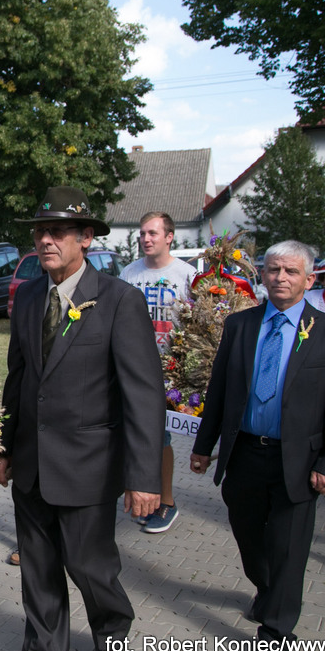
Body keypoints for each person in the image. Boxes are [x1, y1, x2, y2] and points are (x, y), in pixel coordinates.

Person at [0, 187, 162, 651]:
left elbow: (143, 396)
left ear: (86, 238)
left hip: (89, 464)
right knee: (38, 570)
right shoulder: (29, 296)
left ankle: (112, 627)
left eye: (58, 232)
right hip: (32, 463)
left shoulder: (119, 300)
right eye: (39, 232)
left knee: (90, 567)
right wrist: (4, 448)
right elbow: (18, 378)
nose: (46, 240)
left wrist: (144, 477)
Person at [190, 241, 325, 651]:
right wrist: (203, 446)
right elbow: (220, 389)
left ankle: (276, 634)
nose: (281, 278)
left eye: (291, 271)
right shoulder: (240, 325)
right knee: (249, 539)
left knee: (288, 548)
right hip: (245, 452)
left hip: (299, 460)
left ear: (309, 279)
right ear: (263, 275)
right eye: (274, 269)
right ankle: (268, 588)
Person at [119, 211, 198, 534]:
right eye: (142, 233)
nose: (146, 239)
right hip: (133, 366)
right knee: (133, 434)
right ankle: (141, 496)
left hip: (170, 371)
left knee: (159, 437)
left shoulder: (187, 276)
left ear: (169, 237)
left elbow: (200, 326)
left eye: (152, 233)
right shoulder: (129, 273)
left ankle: (166, 502)